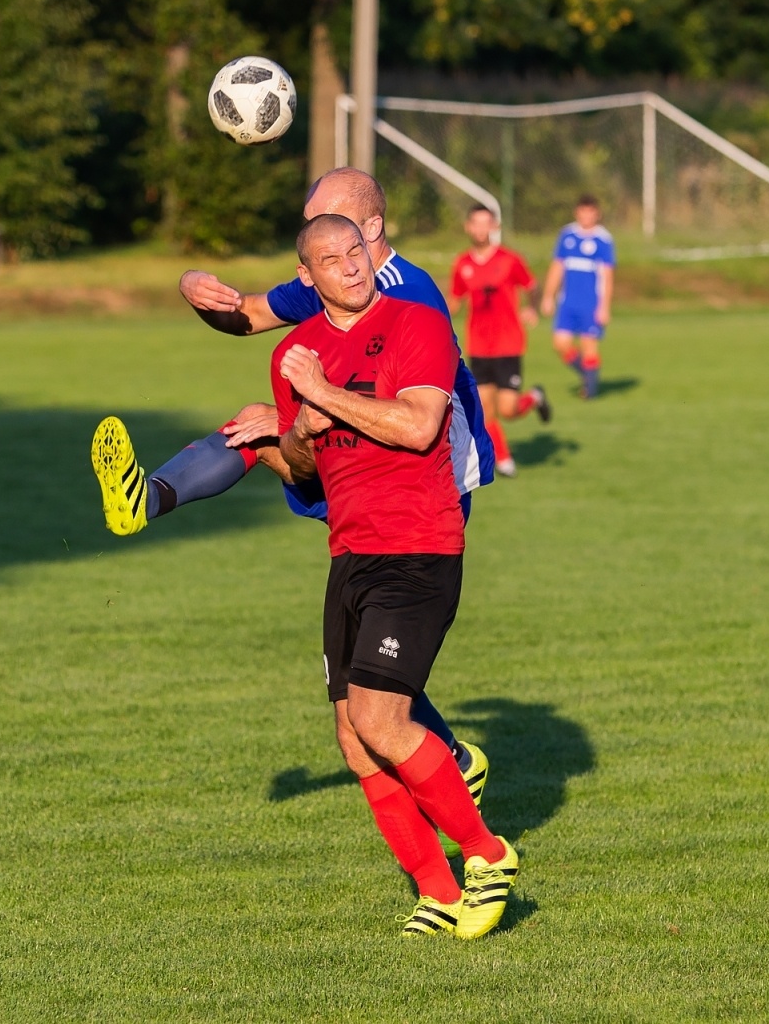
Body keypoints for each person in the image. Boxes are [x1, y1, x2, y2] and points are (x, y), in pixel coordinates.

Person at [89, 168, 493, 792]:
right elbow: (247, 317)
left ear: (372, 230)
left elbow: (406, 415)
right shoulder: (337, 275)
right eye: (312, 228)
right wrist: (196, 290)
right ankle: (147, 496)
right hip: (356, 454)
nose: (319, 239)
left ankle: (452, 766)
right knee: (255, 431)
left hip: (425, 475)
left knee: (373, 662)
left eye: (333, 227)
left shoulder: (409, 296)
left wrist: (294, 416)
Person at [274, 214, 519, 938]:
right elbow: (302, 470)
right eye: (332, 259)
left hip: (419, 548)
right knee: (355, 738)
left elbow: (416, 427)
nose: (352, 266)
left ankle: (488, 853)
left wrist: (324, 394)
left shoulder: (417, 323)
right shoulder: (294, 351)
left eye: (358, 251)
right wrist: (296, 434)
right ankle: (440, 894)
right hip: (349, 554)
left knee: (383, 717)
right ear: (306, 277)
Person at [450, 205, 551, 477]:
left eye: (487, 224)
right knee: (485, 410)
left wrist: (532, 307)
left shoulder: (510, 260)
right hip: (479, 347)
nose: (481, 229)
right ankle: (504, 459)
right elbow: (454, 301)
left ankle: (534, 397)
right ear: (468, 227)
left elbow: (531, 285)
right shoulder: (462, 264)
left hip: (508, 345)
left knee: (508, 409)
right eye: (476, 224)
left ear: (494, 228)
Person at [540, 194, 615, 399]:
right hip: (568, 302)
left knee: (588, 345)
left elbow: (607, 276)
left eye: (591, 212)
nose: (586, 216)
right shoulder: (567, 235)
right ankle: (590, 375)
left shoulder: (602, 239)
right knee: (560, 343)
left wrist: (605, 306)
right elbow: (557, 267)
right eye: (583, 211)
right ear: (577, 212)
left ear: (597, 214)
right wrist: (548, 296)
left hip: (591, 302)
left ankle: (590, 393)